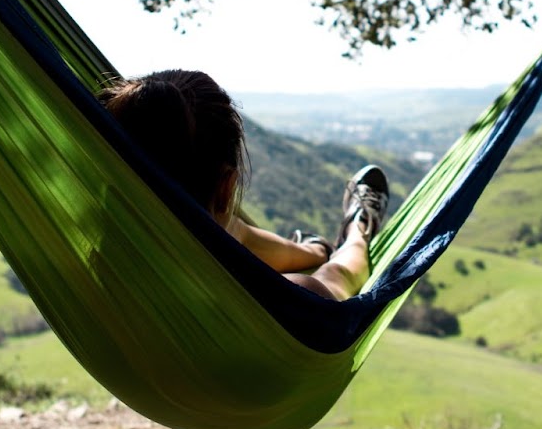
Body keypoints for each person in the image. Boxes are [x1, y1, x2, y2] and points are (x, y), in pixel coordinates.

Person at [97, 69, 388, 301]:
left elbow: (228, 230)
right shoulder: (289, 301)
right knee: (337, 268)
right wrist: (352, 241)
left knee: (221, 230)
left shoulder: (87, 273)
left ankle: (315, 249)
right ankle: (357, 226)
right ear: (227, 186)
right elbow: (345, 275)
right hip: (258, 316)